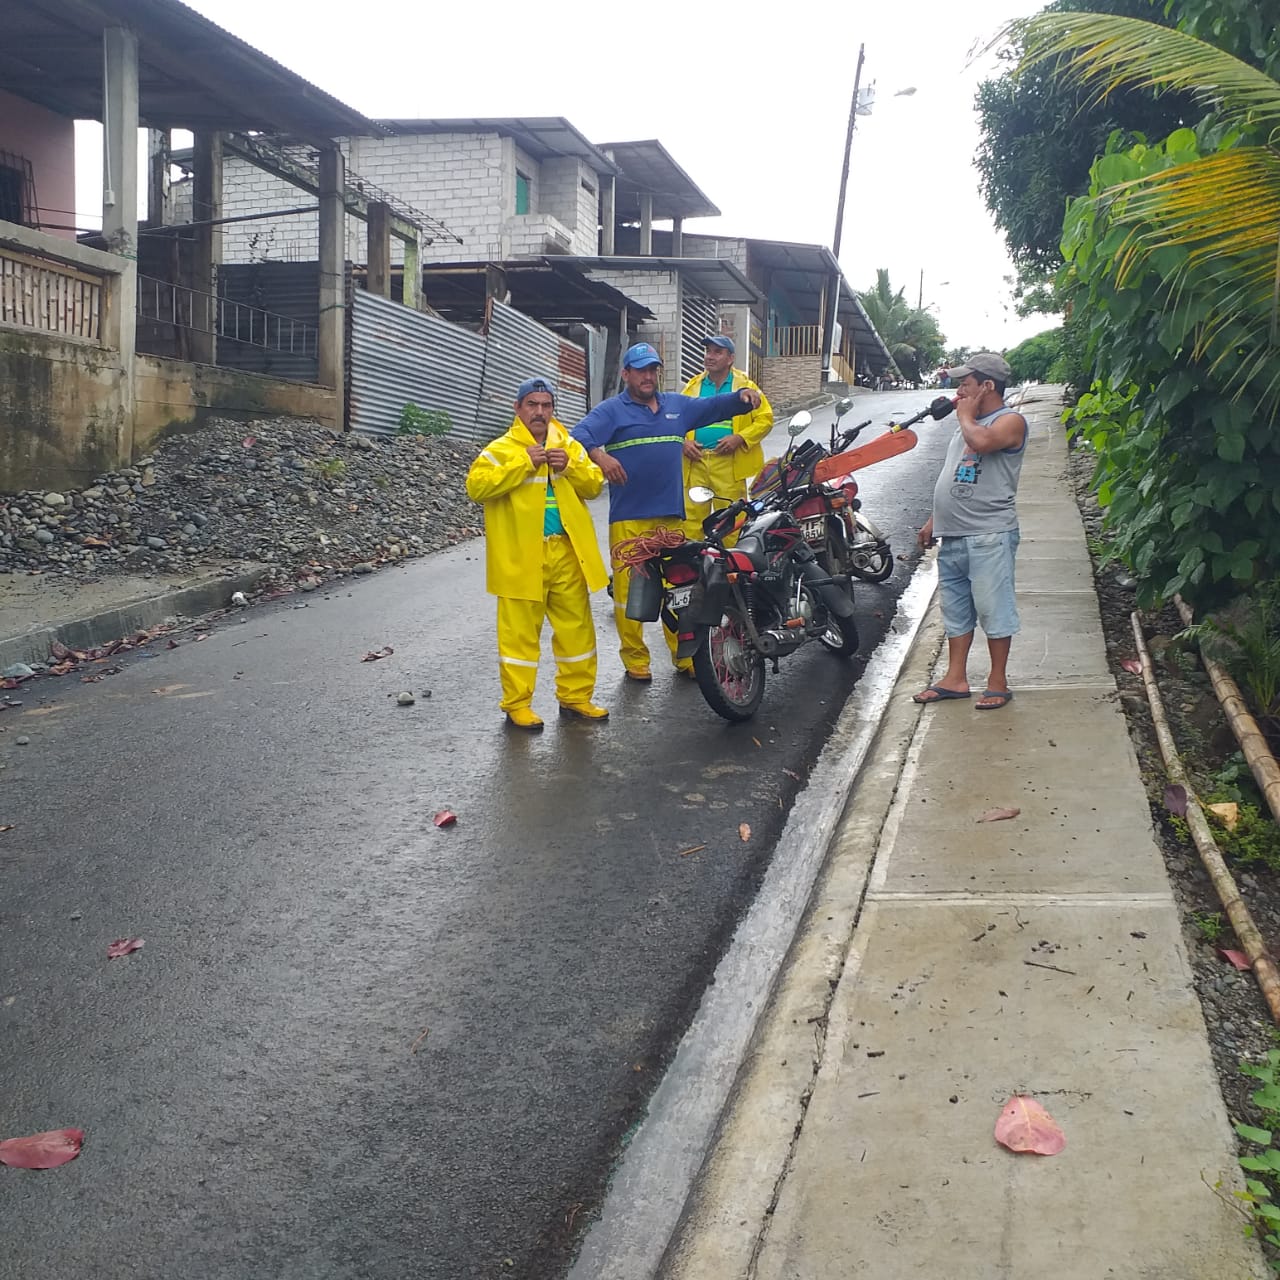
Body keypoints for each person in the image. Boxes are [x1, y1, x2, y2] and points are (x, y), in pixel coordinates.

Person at [571, 342, 762, 682]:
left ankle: (684, 655)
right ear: (626, 374)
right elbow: (578, 435)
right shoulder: (612, 411)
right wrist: (600, 456)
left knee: (680, 590)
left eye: (652, 370)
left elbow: (712, 407)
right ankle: (635, 658)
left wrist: (740, 397)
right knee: (630, 592)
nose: (647, 377)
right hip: (630, 517)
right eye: (640, 371)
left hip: (671, 515)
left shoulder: (676, 406)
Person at [465, 376, 609, 731]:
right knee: (519, 635)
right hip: (521, 555)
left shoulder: (568, 446)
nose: (540, 412)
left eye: (546, 405)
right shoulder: (500, 449)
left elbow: (594, 485)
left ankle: (576, 697)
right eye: (532, 405)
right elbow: (476, 487)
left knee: (576, 629)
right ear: (518, 409)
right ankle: (517, 705)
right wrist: (522, 464)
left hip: (566, 551)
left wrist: (570, 466)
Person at [912, 352, 1027, 711]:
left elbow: (983, 443)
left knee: (994, 609)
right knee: (956, 610)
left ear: (987, 386)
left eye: (966, 384)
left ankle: (997, 682)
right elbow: (952, 473)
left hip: (989, 534)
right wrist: (934, 520)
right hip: (954, 535)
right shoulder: (968, 425)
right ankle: (955, 678)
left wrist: (964, 415)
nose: (959, 391)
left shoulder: (1010, 421)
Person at [680, 334, 774, 538]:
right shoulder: (693, 386)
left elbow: (765, 419)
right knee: (691, 522)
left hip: (728, 464)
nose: (709, 356)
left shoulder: (745, 387)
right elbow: (676, 420)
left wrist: (739, 438)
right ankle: (695, 558)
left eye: (717, 352)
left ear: (730, 358)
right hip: (695, 463)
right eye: (708, 351)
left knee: (731, 521)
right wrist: (684, 443)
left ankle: (731, 559)